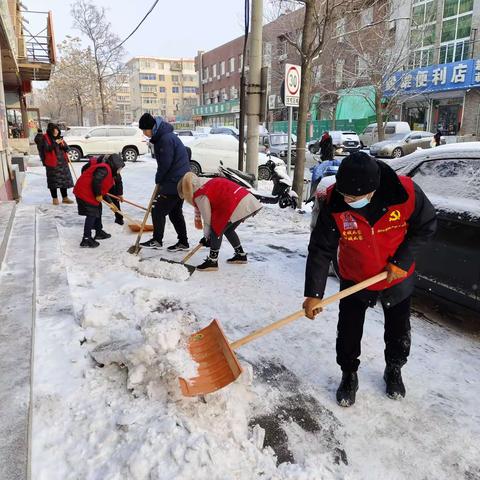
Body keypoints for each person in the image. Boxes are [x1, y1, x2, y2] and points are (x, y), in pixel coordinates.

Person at [303, 152, 437, 407]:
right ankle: (348, 373)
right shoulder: (336, 200)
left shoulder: (405, 194)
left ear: (372, 190)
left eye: (353, 197)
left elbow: (426, 225)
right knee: (349, 331)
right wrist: (313, 293)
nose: (347, 200)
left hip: (396, 275)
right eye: (345, 194)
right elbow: (321, 248)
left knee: (398, 329)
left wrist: (402, 261)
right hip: (356, 275)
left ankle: (394, 368)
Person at [177, 172, 262, 271]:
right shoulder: (204, 182)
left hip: (235, 203)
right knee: (228, 230)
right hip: (246, 199)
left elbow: (208, 219)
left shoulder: (200, 193)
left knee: (217, 228)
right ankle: (240, 255)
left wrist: (207, 236)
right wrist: (208, 237)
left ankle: (212, 261)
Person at [138, 113, 190, 251]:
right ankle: (183, 242)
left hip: (174, 181)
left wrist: (159, 179)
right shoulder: (165, 136)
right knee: (175, 212)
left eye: (145, 130)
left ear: (152, 127)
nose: (144, 133)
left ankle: (157, 240)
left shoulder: (165, 139)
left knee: (157, 211)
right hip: (180, 180)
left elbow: (165, 164)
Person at [73, 154, 125, 248]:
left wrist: (112, 204)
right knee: (92, 213)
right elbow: (96, 181)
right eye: (119, 168)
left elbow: (103, 191)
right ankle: (86, 238)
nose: (119, 171)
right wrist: (98, 195)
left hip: (90, 191)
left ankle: (99, 232)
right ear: (114, 165)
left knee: (97, 210)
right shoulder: (104, 169)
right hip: (84, 192)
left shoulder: (110, 172)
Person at [42, 123, 74, 205]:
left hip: (62, 163)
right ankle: (55, 198)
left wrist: (62, 145)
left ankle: (65, 197)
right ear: (51, 131)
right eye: (54, 130)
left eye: (57, 130)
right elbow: (47, 148)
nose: (56, 131)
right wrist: (55, 143)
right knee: (53, 182)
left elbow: (67, 148)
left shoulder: (60, 138)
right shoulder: (46, 137)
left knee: (63, 181)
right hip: (52, 163)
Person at [97, 154, 125, 225]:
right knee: (96, 204)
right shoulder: (99, 167)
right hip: (96, 186)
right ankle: (96, 224)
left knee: (115, 199)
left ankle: (119, 218)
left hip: (108, 183)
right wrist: (98, 193)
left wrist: (119, 194)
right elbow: (96, 181)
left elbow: (118, 181)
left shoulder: (114, 166)